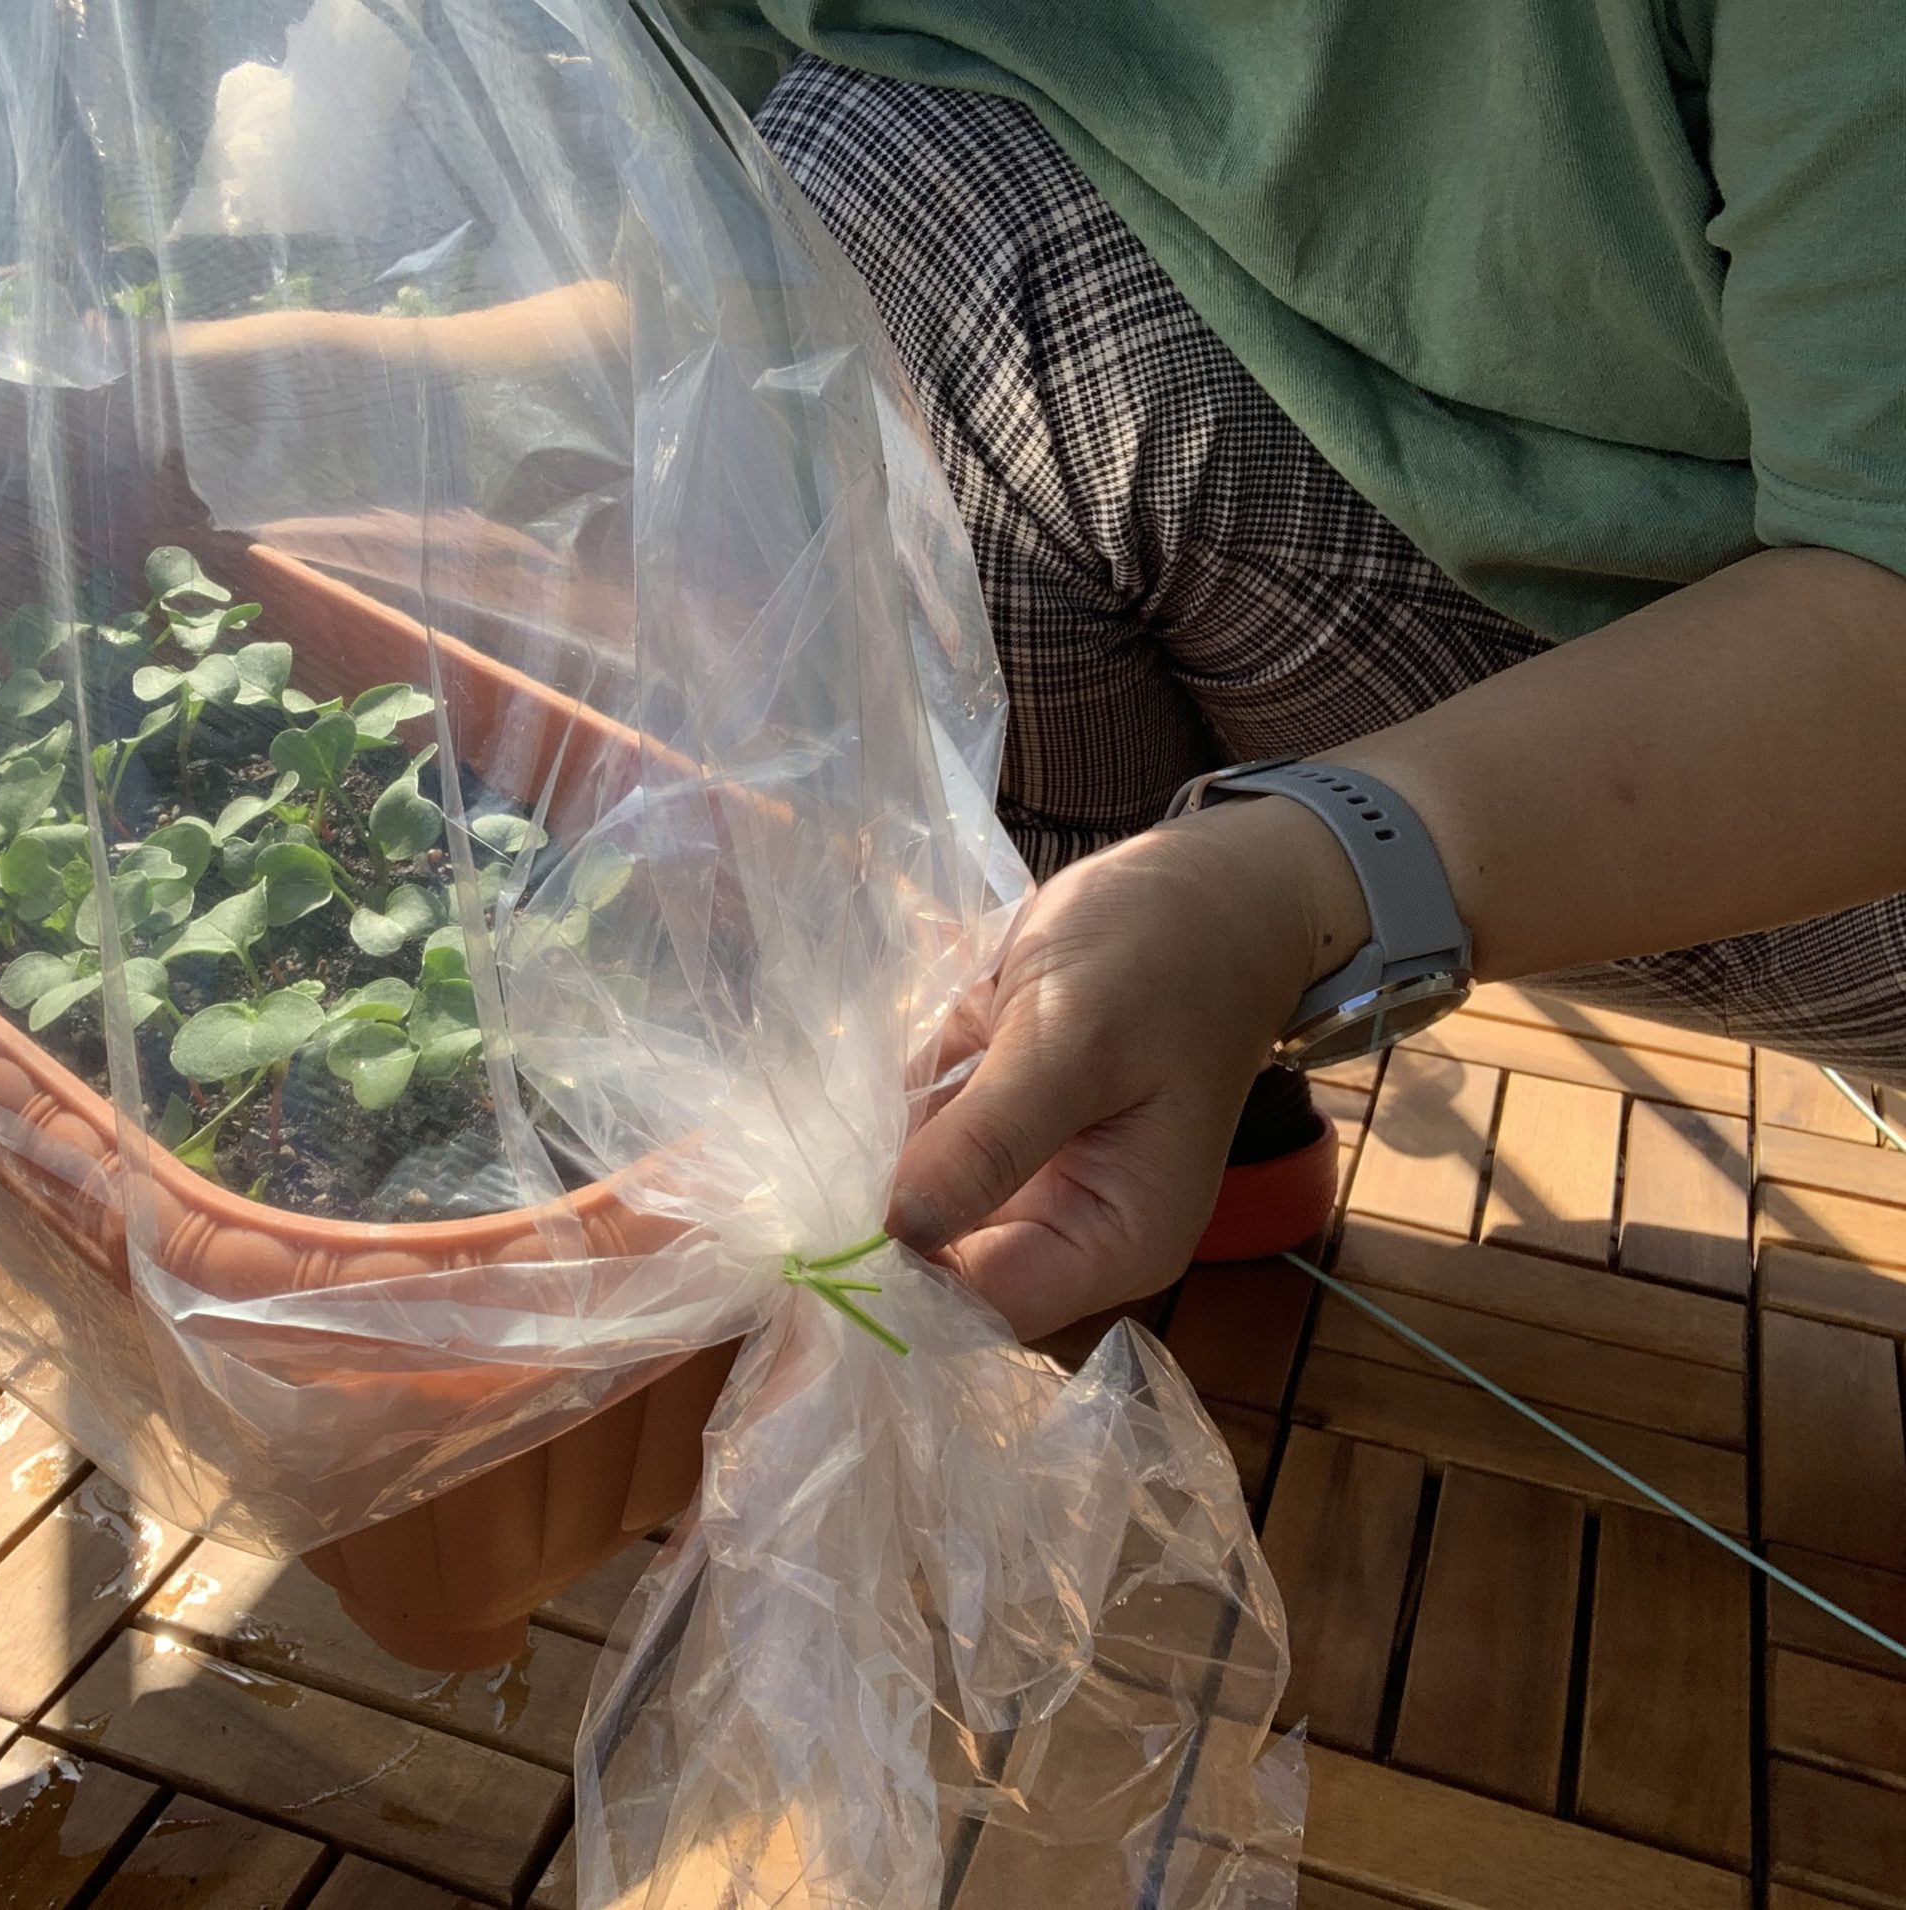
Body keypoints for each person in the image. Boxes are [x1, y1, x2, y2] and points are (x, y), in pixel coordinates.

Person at [610, 5, 1906, 1338]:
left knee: (906, 212)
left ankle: (1176, 1016)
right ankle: (1132, 1074)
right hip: (1454, 545)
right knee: (876, 206)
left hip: (1841, 756)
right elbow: (716, 301)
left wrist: (1310, 876)